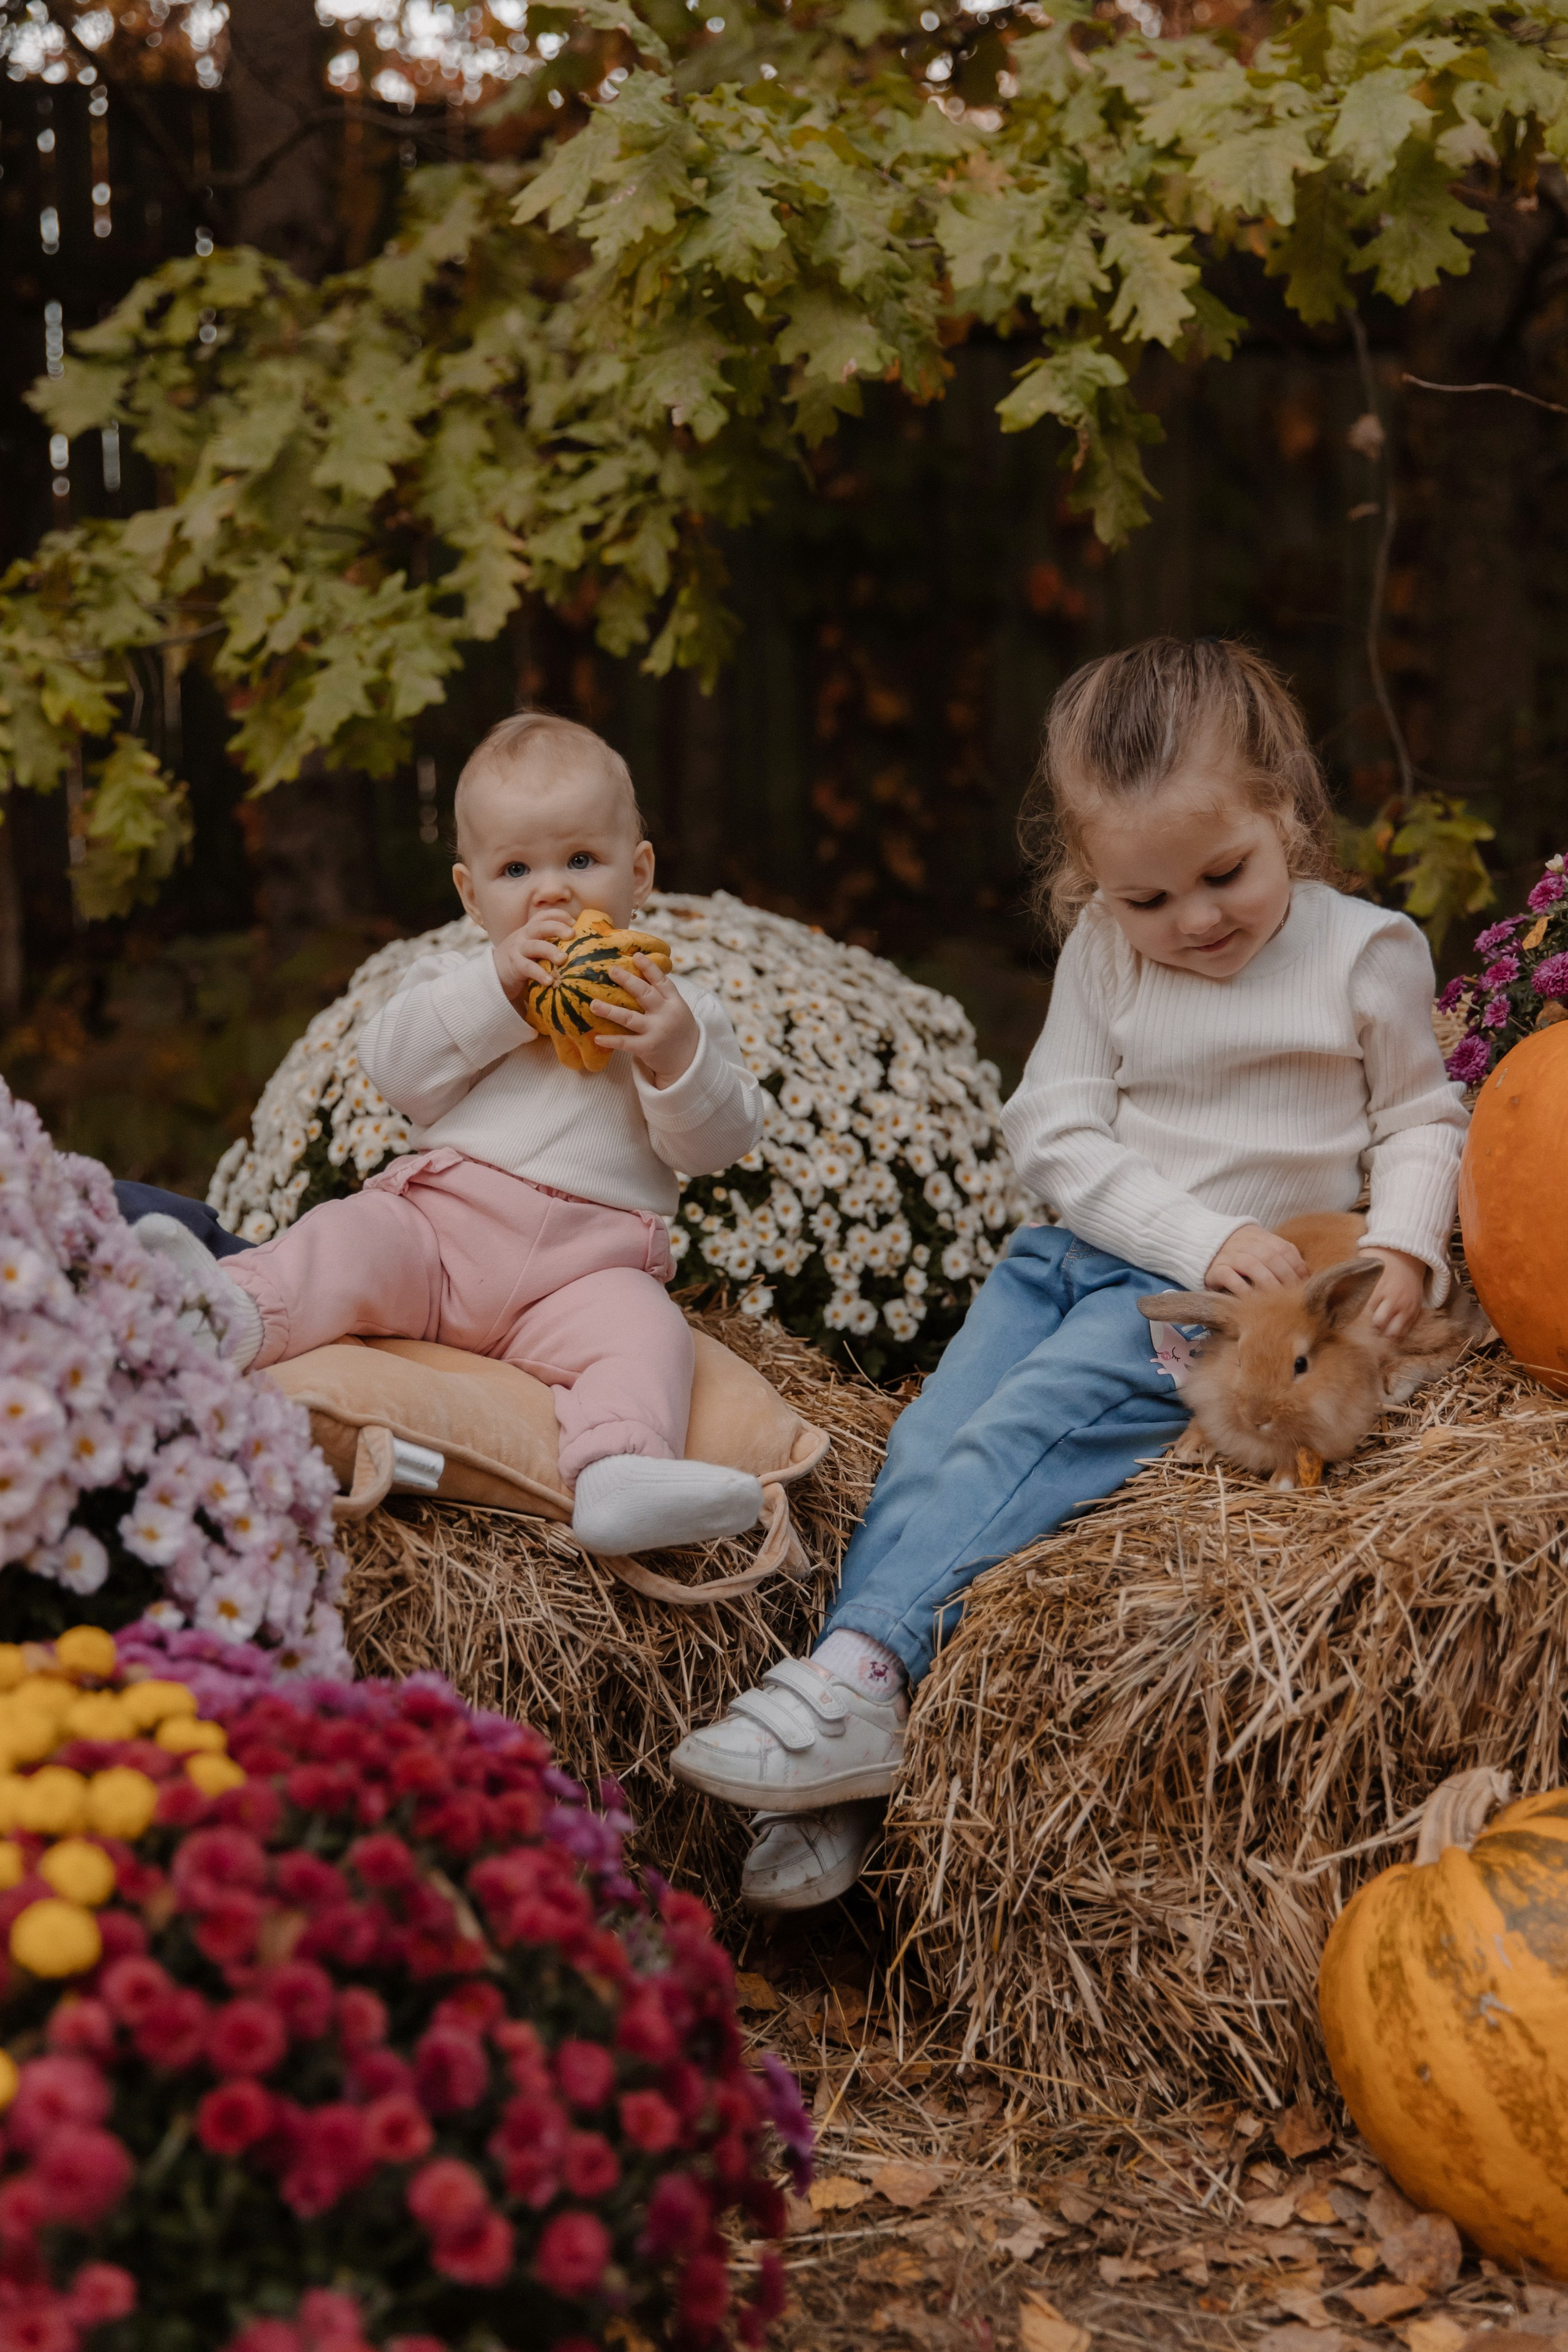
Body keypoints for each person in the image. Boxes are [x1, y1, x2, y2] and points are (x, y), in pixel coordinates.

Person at [672, 636, 1468, 1912]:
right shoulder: (1103, 950)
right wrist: (1182, 1225)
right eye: (1146, 899)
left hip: (1213, 1310)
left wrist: (1400, 1245)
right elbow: (1050, 1130)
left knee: (1028, 1437)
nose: (1191, 921)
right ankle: (849, 1764)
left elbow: (1421, 1120)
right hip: (1073, 1258)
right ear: (1092, 880)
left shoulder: (1361, 952)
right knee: (932, 1442)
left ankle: (860, 1677)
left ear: (1284, 808)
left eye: (1223, 876)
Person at [138, 712, 766, 1559]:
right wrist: (499, 993)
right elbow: (399, 1070)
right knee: (350, 1239)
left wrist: (675, 1055)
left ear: (640, 872)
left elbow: (716, 1143)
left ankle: (619, 1470)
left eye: (582, 860)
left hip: (582, 1277)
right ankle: (230, 1312)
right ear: (472, 896)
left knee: (647, 1334)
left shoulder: (674, 1008)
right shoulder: (455, 981)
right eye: (517, 869)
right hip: (442, 1238)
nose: (552, 892)